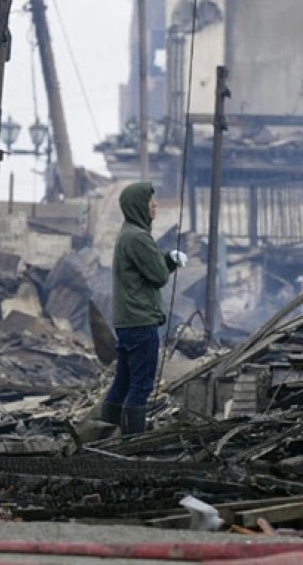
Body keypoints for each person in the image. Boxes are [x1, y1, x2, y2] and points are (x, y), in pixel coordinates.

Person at [100, 182, 187, 435]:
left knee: (123, 382)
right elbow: (158, 275)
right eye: (151, 201)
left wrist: (168, 259)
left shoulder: (127, 233)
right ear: (139, 205)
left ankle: (104, 434)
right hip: (141, 321)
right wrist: (169, 262)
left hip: (127, 321)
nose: (155, 205)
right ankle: (131, 442)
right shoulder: (138, 237)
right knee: (141, 386)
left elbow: (148, 268)